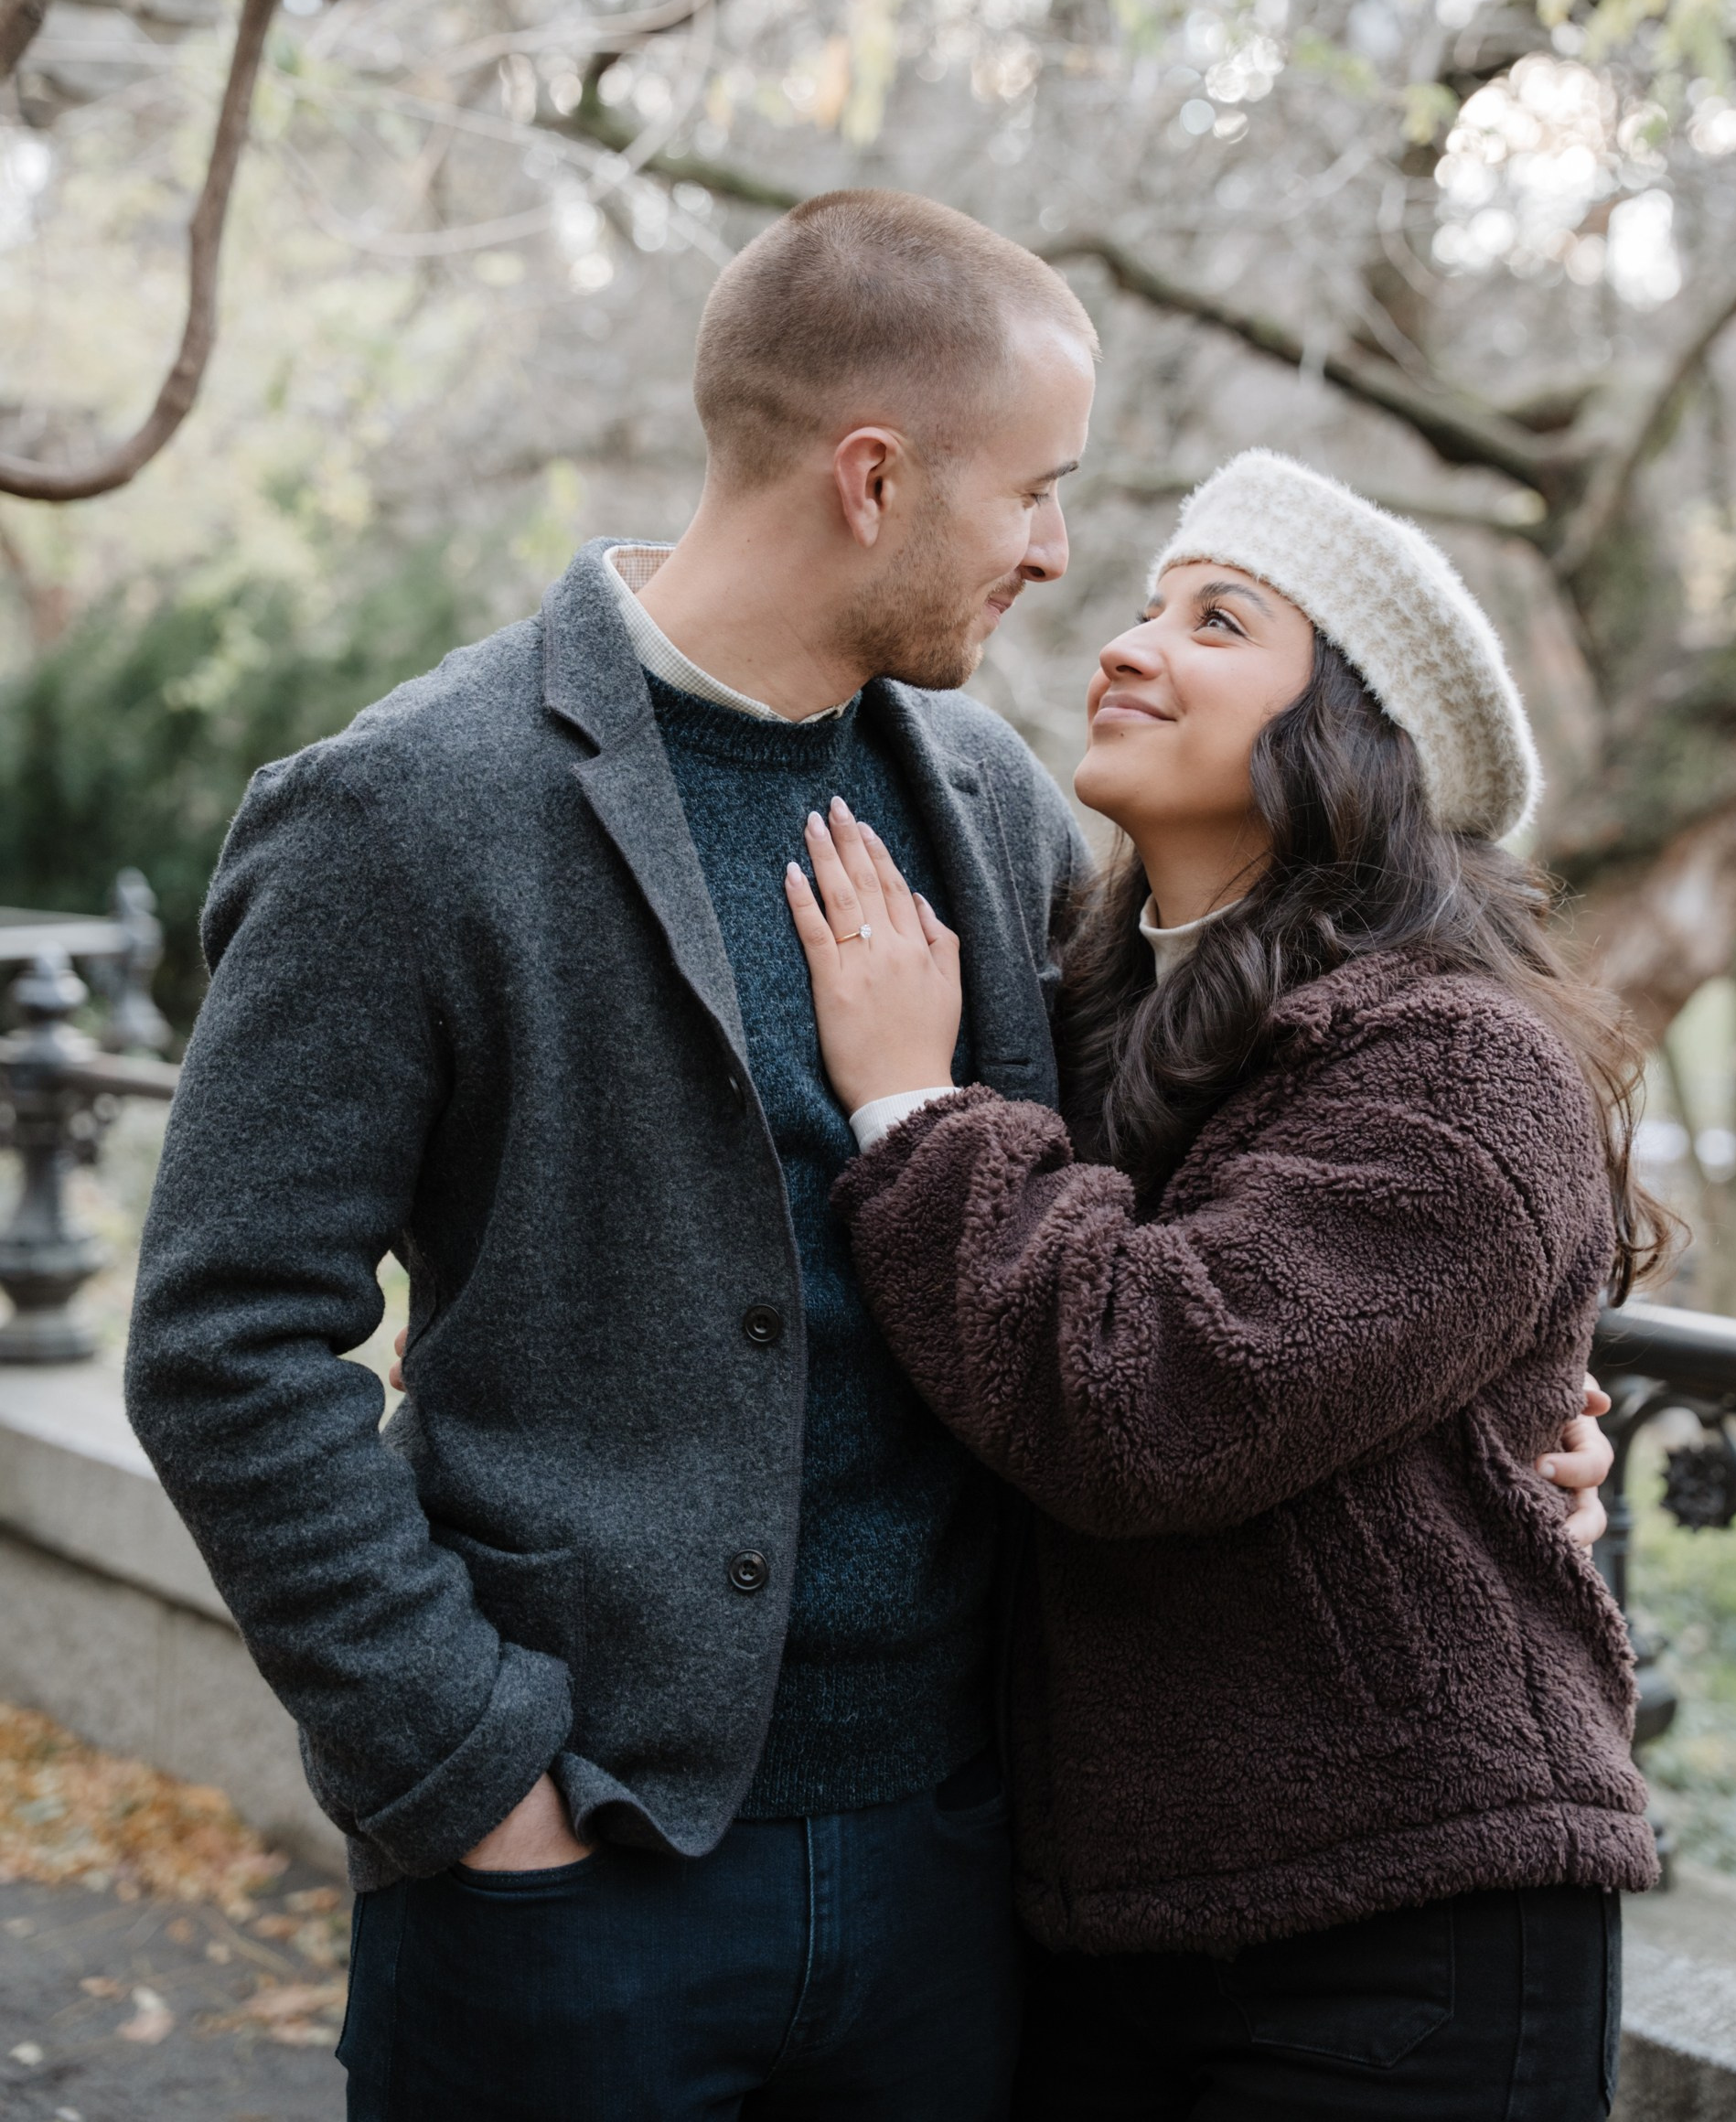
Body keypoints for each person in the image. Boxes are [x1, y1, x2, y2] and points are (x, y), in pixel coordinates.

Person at [124, 201, 1613, 2122]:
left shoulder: (987, 802)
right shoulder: (407, 812)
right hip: (580, 1867)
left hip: (963, 1877)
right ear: (872, 478)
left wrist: (1503, 1430)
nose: (1060, 558)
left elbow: (1192, 1219)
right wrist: (467, 1773)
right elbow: (225, 1340)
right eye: (1038, 493)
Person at [785, 448, 1664, 2122]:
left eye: (1217, 618)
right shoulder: (1075, 1020)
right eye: (1143, 603)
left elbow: (1150, 1399)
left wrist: (909, 1105)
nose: (1129, 642)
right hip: (1106, 1917)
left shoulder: (1460, 1063)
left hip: (1403, 1925)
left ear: (1348, 735)